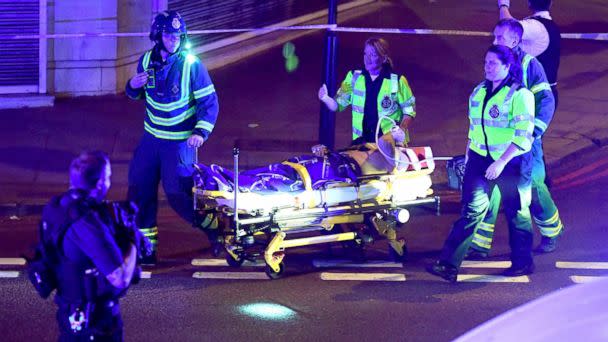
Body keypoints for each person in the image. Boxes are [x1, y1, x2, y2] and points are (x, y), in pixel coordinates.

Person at [427, 45, 535, 282]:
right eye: (485, 62)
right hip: (479, 159)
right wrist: (468, 156)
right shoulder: (478, 91)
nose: (487, 67)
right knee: (471, 211)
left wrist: (501, 162)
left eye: (493, 63)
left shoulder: (520, 94)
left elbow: (523, 135)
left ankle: (523, 262)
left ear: (507, 66)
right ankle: (448, 265)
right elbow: (474, 129)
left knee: (516, 212)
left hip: (511, 161)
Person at [125, 11, 219, 264]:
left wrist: (201, 132)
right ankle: (147, 248)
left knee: (179, 196)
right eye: (168, 35)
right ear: (158, 36)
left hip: (179, 143)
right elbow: (137, 95)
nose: (174, 40)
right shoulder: (145, 61)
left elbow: (209, 103)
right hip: (151, 140)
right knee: (140, 191)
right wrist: (132, 85)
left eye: (177, 35)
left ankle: (216, 229)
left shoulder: (191, 64)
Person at [466, 19, 563, 259]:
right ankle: (480, 244)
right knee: (490, 191)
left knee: (533, 187)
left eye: (500, 37)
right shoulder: (497, 62)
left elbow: (546, 101)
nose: (494, 41)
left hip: (523, 142)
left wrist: (533, 132)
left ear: (515, 41)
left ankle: (551, 231)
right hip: (495, 144)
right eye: (494, 36)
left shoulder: (530, 65)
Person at [51, 151, 138, 341]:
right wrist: (132, 241)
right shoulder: (86, 222)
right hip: (95, 324)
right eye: (108, 178)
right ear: (99, 183)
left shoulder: (58, 207)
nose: (109, 183)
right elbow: (119, 278)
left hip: (69, 314)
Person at [318, 37, 416, 147]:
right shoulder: (353, 77)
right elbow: (338, 105)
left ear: (383, 58)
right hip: (361, 143)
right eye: (366, 54)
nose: (367, 59)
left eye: (373, 55)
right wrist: (325, 98)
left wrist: (401, 129)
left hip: (390, 142)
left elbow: (409, 111)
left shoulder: (397, 81)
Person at [498, 0, 561, 106]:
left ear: (529, 3)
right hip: (543, 95)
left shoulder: (537, 27)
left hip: (534, 97)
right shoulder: (550, 26)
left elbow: (508, 27)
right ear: (550, 3)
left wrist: (503, 5)